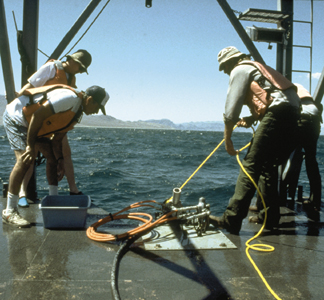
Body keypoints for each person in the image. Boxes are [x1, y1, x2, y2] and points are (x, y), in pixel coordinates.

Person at [209, 46, 301, 234]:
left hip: (278, 113)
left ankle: (231, 220)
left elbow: (230, 111)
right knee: (267, 167)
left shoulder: (240, 69)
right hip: (294, 115)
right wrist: (252, 118)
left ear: (231, 62)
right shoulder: (258, 67)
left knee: (250, 165)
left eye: (224, 68)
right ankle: (270, 218)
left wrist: (228, 140)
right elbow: (277, 97)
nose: (226, 72)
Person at [2, 84, 109, 227]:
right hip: (17, 119)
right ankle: (10, 210)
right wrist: (30, 145)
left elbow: (57, 139)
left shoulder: (77, 112)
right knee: (24, 160)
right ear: (89, 100)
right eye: (97, 108)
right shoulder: (69, 99)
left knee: (52, 159)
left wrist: (60, 160)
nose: (96, 112)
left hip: (35, 126)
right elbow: (38, 115)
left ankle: (54, 199)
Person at [16, 49, 92, 207]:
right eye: (80, 67)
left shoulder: (72, 79)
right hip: (38, 118)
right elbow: (30, 86)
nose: (79, 71)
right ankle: (22, 192)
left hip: (56, 123)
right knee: (30, 154)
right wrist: (18, 101)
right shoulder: (51, 68)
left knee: (63, 155)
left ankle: (72, 189)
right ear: (73, 61)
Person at [295, 83, 322, 212]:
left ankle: (272, 201)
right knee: (311, 161)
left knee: (284, 156)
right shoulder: (301, 87)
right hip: (315, 119)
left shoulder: (287, 89)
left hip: (302, 118)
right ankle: (315, 202)